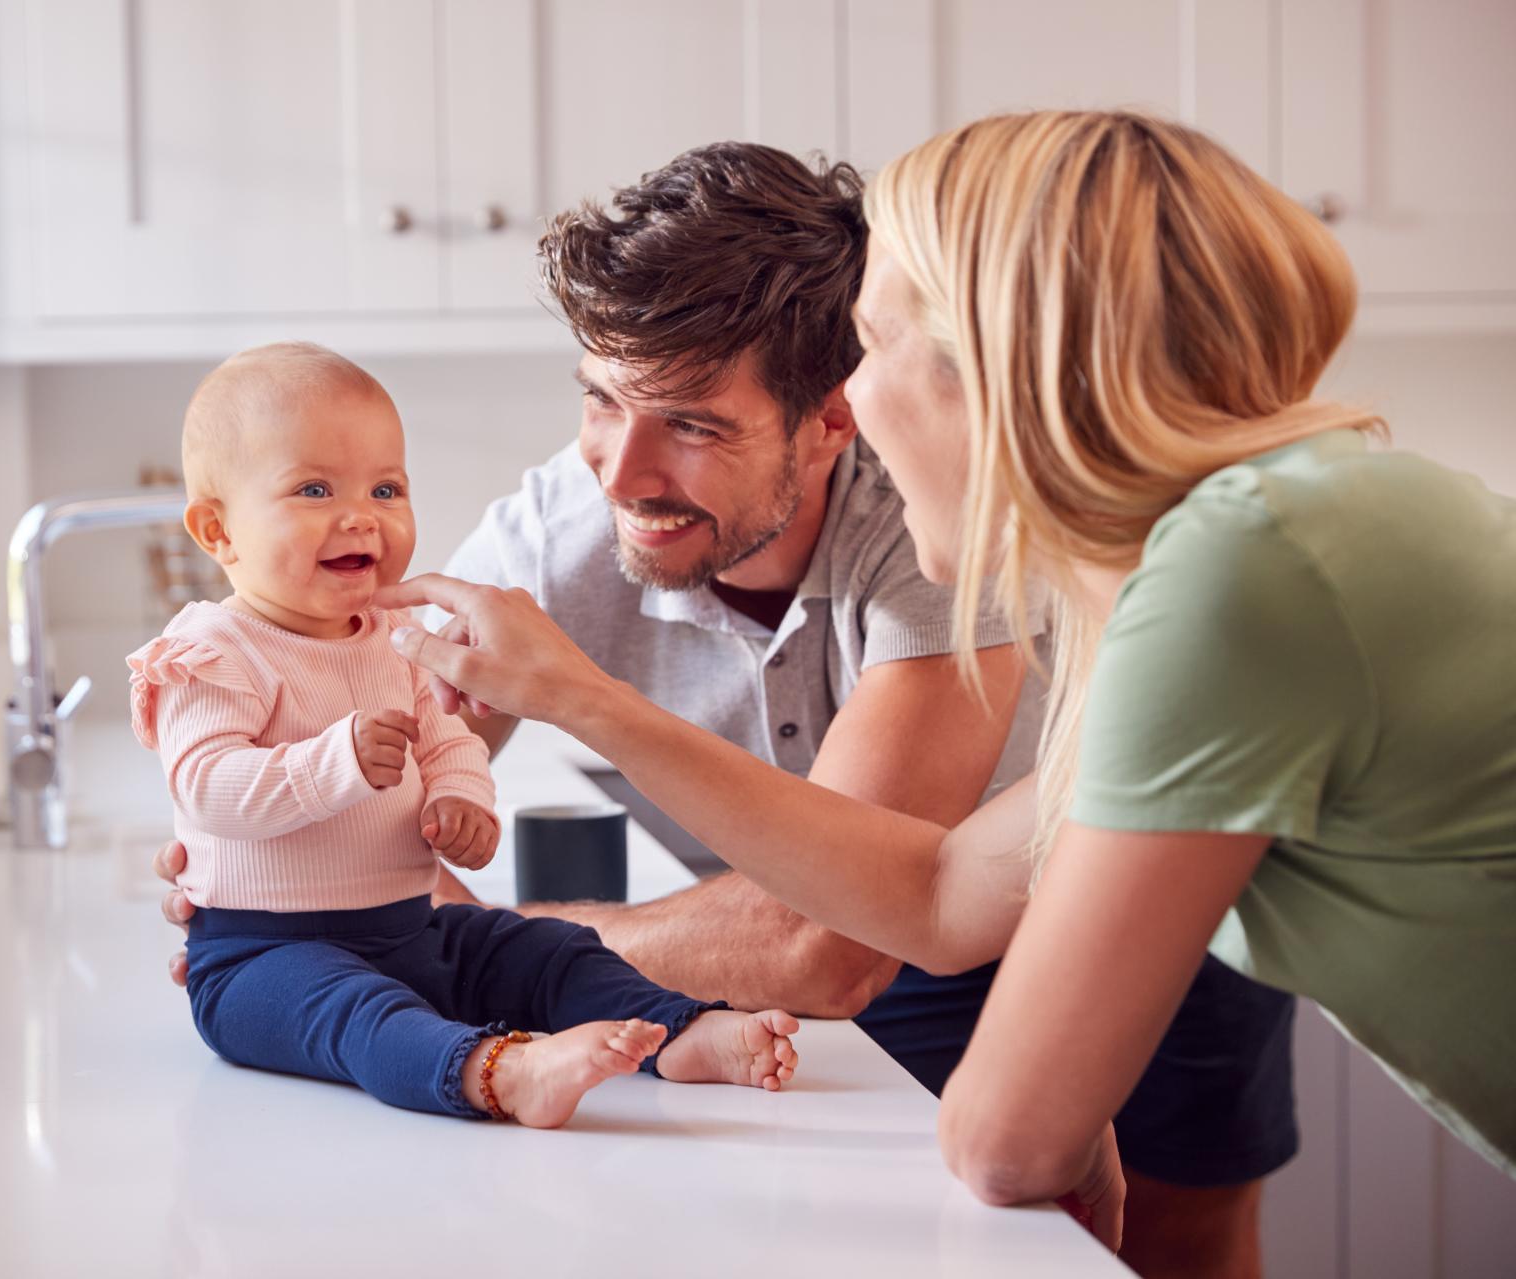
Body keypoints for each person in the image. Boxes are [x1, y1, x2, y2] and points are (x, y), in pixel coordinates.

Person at [157, 145, 1297, 1276]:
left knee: (1172, 1249)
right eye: (601, 401)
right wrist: (304, 898)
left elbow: (824, 945)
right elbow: (378, 774)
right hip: (920, 918)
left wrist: (486, 947)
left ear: (832, 416)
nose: (621, 472)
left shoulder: (937, 513)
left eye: (694, 424)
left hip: (1133, 897)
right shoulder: (563, 524)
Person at [372, 111, 1516, 1233]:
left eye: (874, 345)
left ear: (998, 367)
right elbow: (941, 894)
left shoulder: (1239, 579)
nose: (855, 403)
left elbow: (996, 1136)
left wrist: (1036, 1098)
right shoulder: (1236, 544)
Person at [133, 342, 798, 1128]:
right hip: (262, 957)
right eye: (313, 489)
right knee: (358, 1013)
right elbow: (207, 787)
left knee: (547, 947)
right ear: (217, 531)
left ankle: (680, 1032)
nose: (361, 515)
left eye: (386, 487)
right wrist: (334, 761)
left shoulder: (397, 634)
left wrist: (460, 797)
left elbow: (447, 737)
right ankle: (496, 1070)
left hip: (411, 929)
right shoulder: (210, 650)